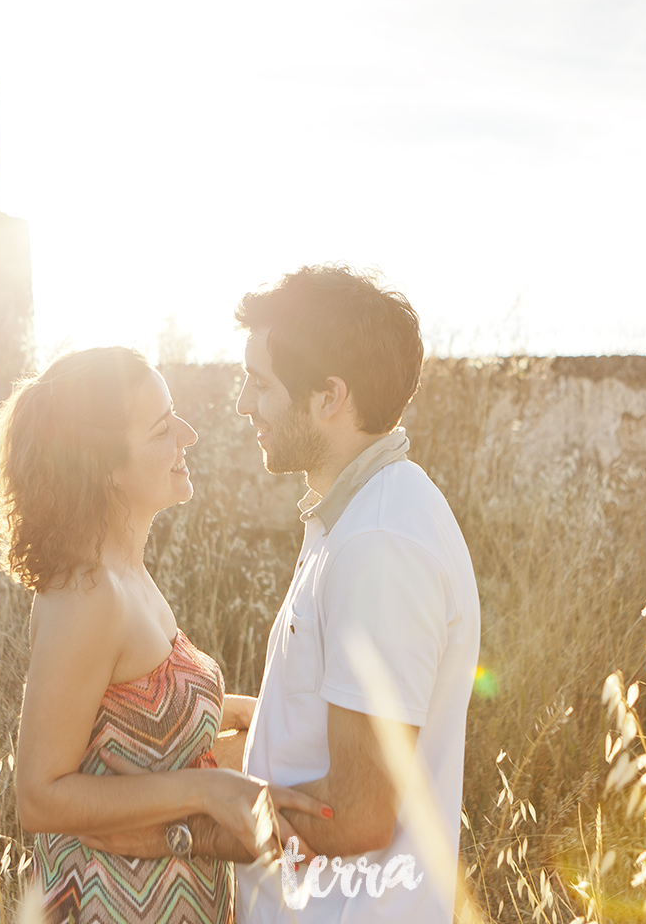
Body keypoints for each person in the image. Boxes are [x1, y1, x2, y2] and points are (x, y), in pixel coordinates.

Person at [0, 347, 326, 924]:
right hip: (111, 905)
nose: (188, 433)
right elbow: (40, 795)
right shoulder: (85, 595)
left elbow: (137, 727)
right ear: (105, 466)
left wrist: (262, 715)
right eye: (163, 427)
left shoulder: (127, 573)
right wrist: (207, 791)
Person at [231, 266, 482, 923]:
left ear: (328, 397)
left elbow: (359, 812)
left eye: (260, 383)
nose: (242, 404)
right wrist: (249, 723)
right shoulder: (360, 514)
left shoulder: (378, 542)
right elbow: (358, 723)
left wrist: (191, 822)